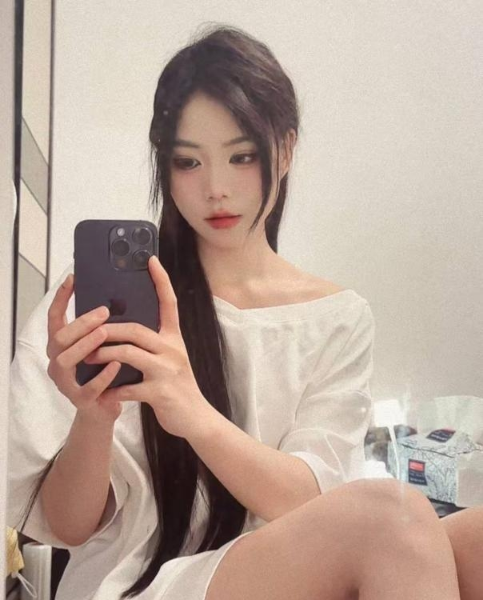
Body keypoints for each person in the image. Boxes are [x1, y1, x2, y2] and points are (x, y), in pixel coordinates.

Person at [7, 23, 465, 600]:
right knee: (395, 518)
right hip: (142, 580)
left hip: (286, 566)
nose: (216, 188)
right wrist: (93, 417)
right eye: (188, 162)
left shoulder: (336, 318)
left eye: (241, 156)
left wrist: (191, 411)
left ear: (286, 150)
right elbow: (68, 528)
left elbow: (305, 500)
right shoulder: (102, 304)